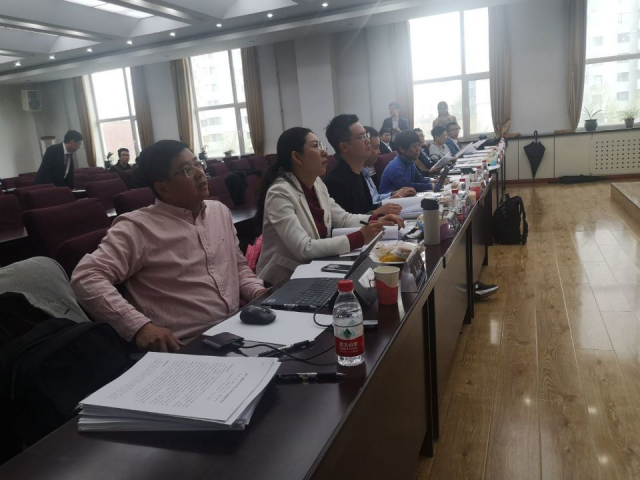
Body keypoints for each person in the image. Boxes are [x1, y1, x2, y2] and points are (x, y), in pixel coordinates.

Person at [71, 140, 267, 352]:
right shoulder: (138, 228)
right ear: (162, 187)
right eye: (187, 170)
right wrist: (140, 327)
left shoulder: (219, 211)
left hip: (237, 328)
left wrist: (258, 293)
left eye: (197, 164)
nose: (200, 174)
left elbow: (237, 266)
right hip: (186, 345)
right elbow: (86, 277)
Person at [255, 127, 403, 286]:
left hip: (315, 269)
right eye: (315, 146)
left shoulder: (317, 183)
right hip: (283, 281)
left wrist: (376, 219)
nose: (324, 152)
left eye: (322, 146)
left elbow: (343, 219)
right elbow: (304, 248)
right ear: (297, 157)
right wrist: (359, 237)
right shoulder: (280, 193)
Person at [323, 114, 402, 216]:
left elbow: (367, 208)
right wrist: (379, 211)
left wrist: (389, 203)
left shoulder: (359, 173)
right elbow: (348, 222)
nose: (368, 141)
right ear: (344, 147)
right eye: (361, 137)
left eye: (366, 135)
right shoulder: (335, 183)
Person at [363, 126, 416, 205]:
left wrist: (392, 194)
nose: (379, 152)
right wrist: (391, 199)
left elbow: (376, 198)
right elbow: (368, 209)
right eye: (376, 147)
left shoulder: (366, 172)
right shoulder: (395, 165)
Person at [379, 130, 436, 194]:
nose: (418, 149)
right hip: (390, 199)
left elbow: (419, 179)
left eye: (418, 145)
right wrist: (430, 186)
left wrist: (433, 181)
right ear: (402, 149)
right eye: (414, 146)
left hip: (405, 198)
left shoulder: (410, 162)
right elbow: (405, 186)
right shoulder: (395, 166)